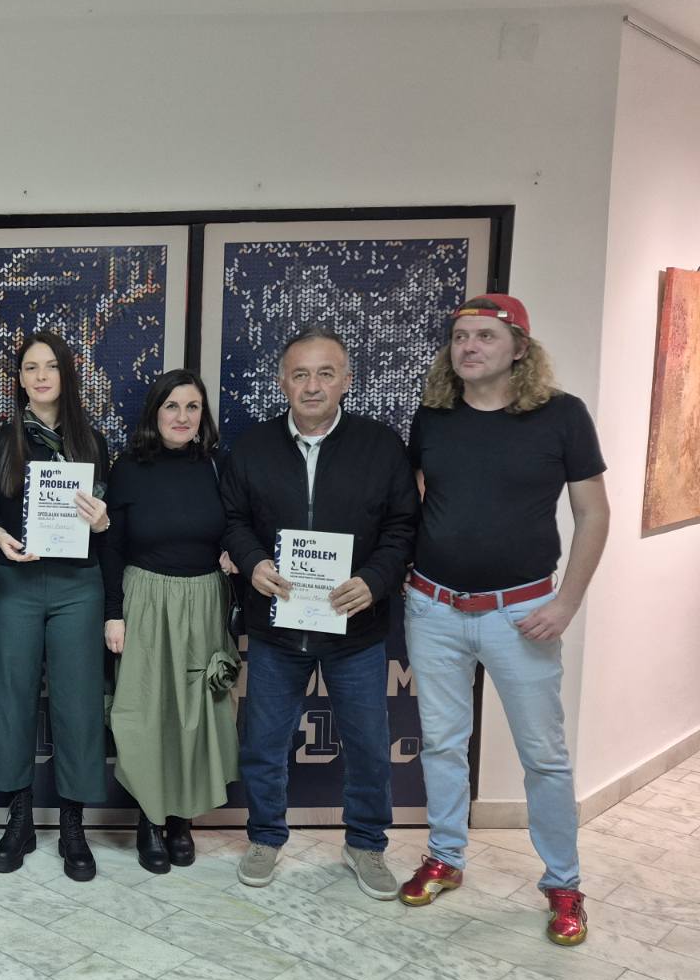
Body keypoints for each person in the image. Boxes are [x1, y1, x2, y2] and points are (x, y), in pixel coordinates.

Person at [398, 294, 608, 946]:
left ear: (520, 348)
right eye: (461, 336)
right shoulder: (432, 416)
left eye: (486, 336)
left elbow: (593, 514)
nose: (469, 347)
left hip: (522, 614)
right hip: (433, 607)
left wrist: (566, 602)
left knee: (543, 755)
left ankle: (563, 884)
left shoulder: (562, 416)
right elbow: (419, 502)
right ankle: (445, 856)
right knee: (442, 743)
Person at [221, 325, 418, 898]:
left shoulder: (381, 447)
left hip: (355, 629)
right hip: (277, 628)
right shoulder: (252, 448)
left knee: (368, 744)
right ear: (282, 382)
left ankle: (366, 844)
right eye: (300, 374)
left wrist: (375, 581)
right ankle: (265, 837)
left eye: (325, 374)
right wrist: (252, 562)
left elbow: (404, 526)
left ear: (346, 381)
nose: (312, 386)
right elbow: (232, 519)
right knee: (264, 742)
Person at [0, 331, 112, 881]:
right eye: (30, 368)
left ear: (65, 375)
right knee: (12, 697)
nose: (40, 376)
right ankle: (20, 819)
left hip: (78, 584)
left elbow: (107, 520)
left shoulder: (92, 442)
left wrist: (102, 522)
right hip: (16, 581)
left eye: (50, 366)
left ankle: (73, 824)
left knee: (78, 702)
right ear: (19, 379)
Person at [102, 370, 240, 873]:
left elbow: (238, 526)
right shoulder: (128, 468)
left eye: (192, 407)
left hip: (203, 602)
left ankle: (182, 819)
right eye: (172, 406)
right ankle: (149, 818)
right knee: (147, 713)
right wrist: (113, 614)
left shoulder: (219, 468)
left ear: (203, 416)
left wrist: (233, 552)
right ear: (154, 412)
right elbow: (111, 546)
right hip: (145, 600)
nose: (182, 417)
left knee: (196, 715)